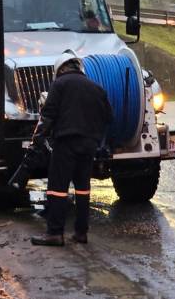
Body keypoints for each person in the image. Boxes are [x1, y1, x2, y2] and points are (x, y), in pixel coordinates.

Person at [29, 50, 113, 247]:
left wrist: (38, 139)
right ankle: (81, 233)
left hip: (66, 143)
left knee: (57, 188)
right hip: (89, 145)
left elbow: (48, 115)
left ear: (60, 69)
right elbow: (108, 117)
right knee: (83, 188)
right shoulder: (97, 88)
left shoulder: (60, 84)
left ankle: (55, 234)